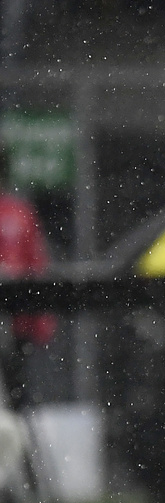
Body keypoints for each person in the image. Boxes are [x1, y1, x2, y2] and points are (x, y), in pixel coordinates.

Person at [0, 149, 57, 410]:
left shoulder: (19, 213)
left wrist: (40, 323)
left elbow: (36, 267)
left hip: (16, 325)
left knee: (17, 400)